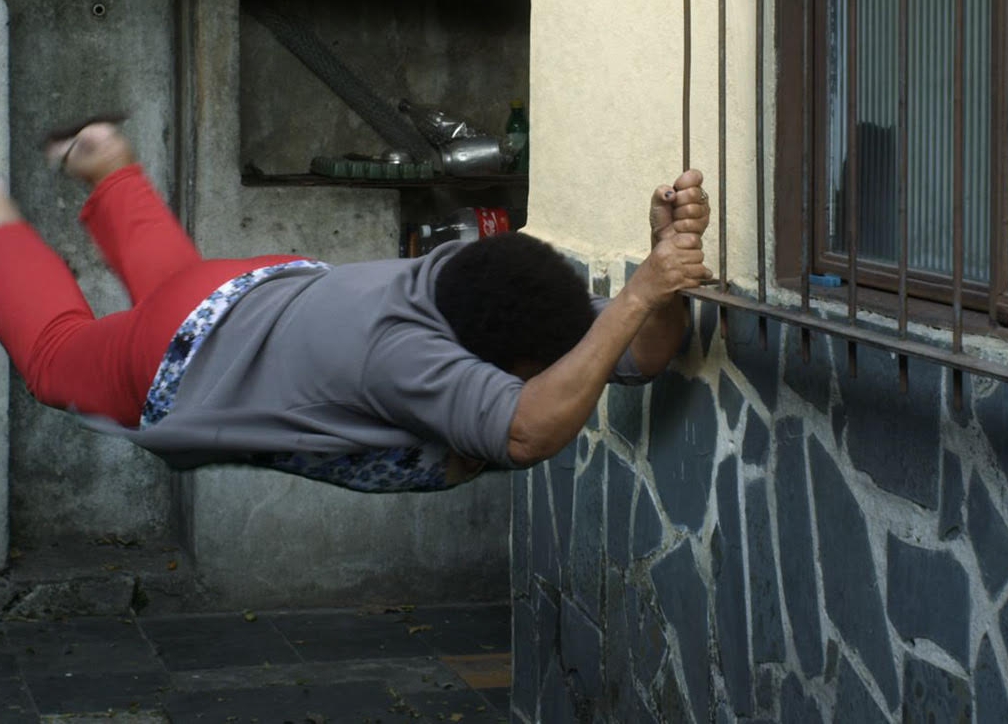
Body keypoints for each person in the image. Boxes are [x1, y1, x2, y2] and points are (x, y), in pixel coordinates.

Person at [0, 118, 711, 492]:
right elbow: (527, 432)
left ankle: (107, 161)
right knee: (56, 354)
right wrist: (641, 288)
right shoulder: (405, 356)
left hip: (239, 289)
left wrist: (658, 274)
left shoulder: (468, 283)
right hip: (180, 357)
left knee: (171, 288)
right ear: (487, 357)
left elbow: (640, 352)